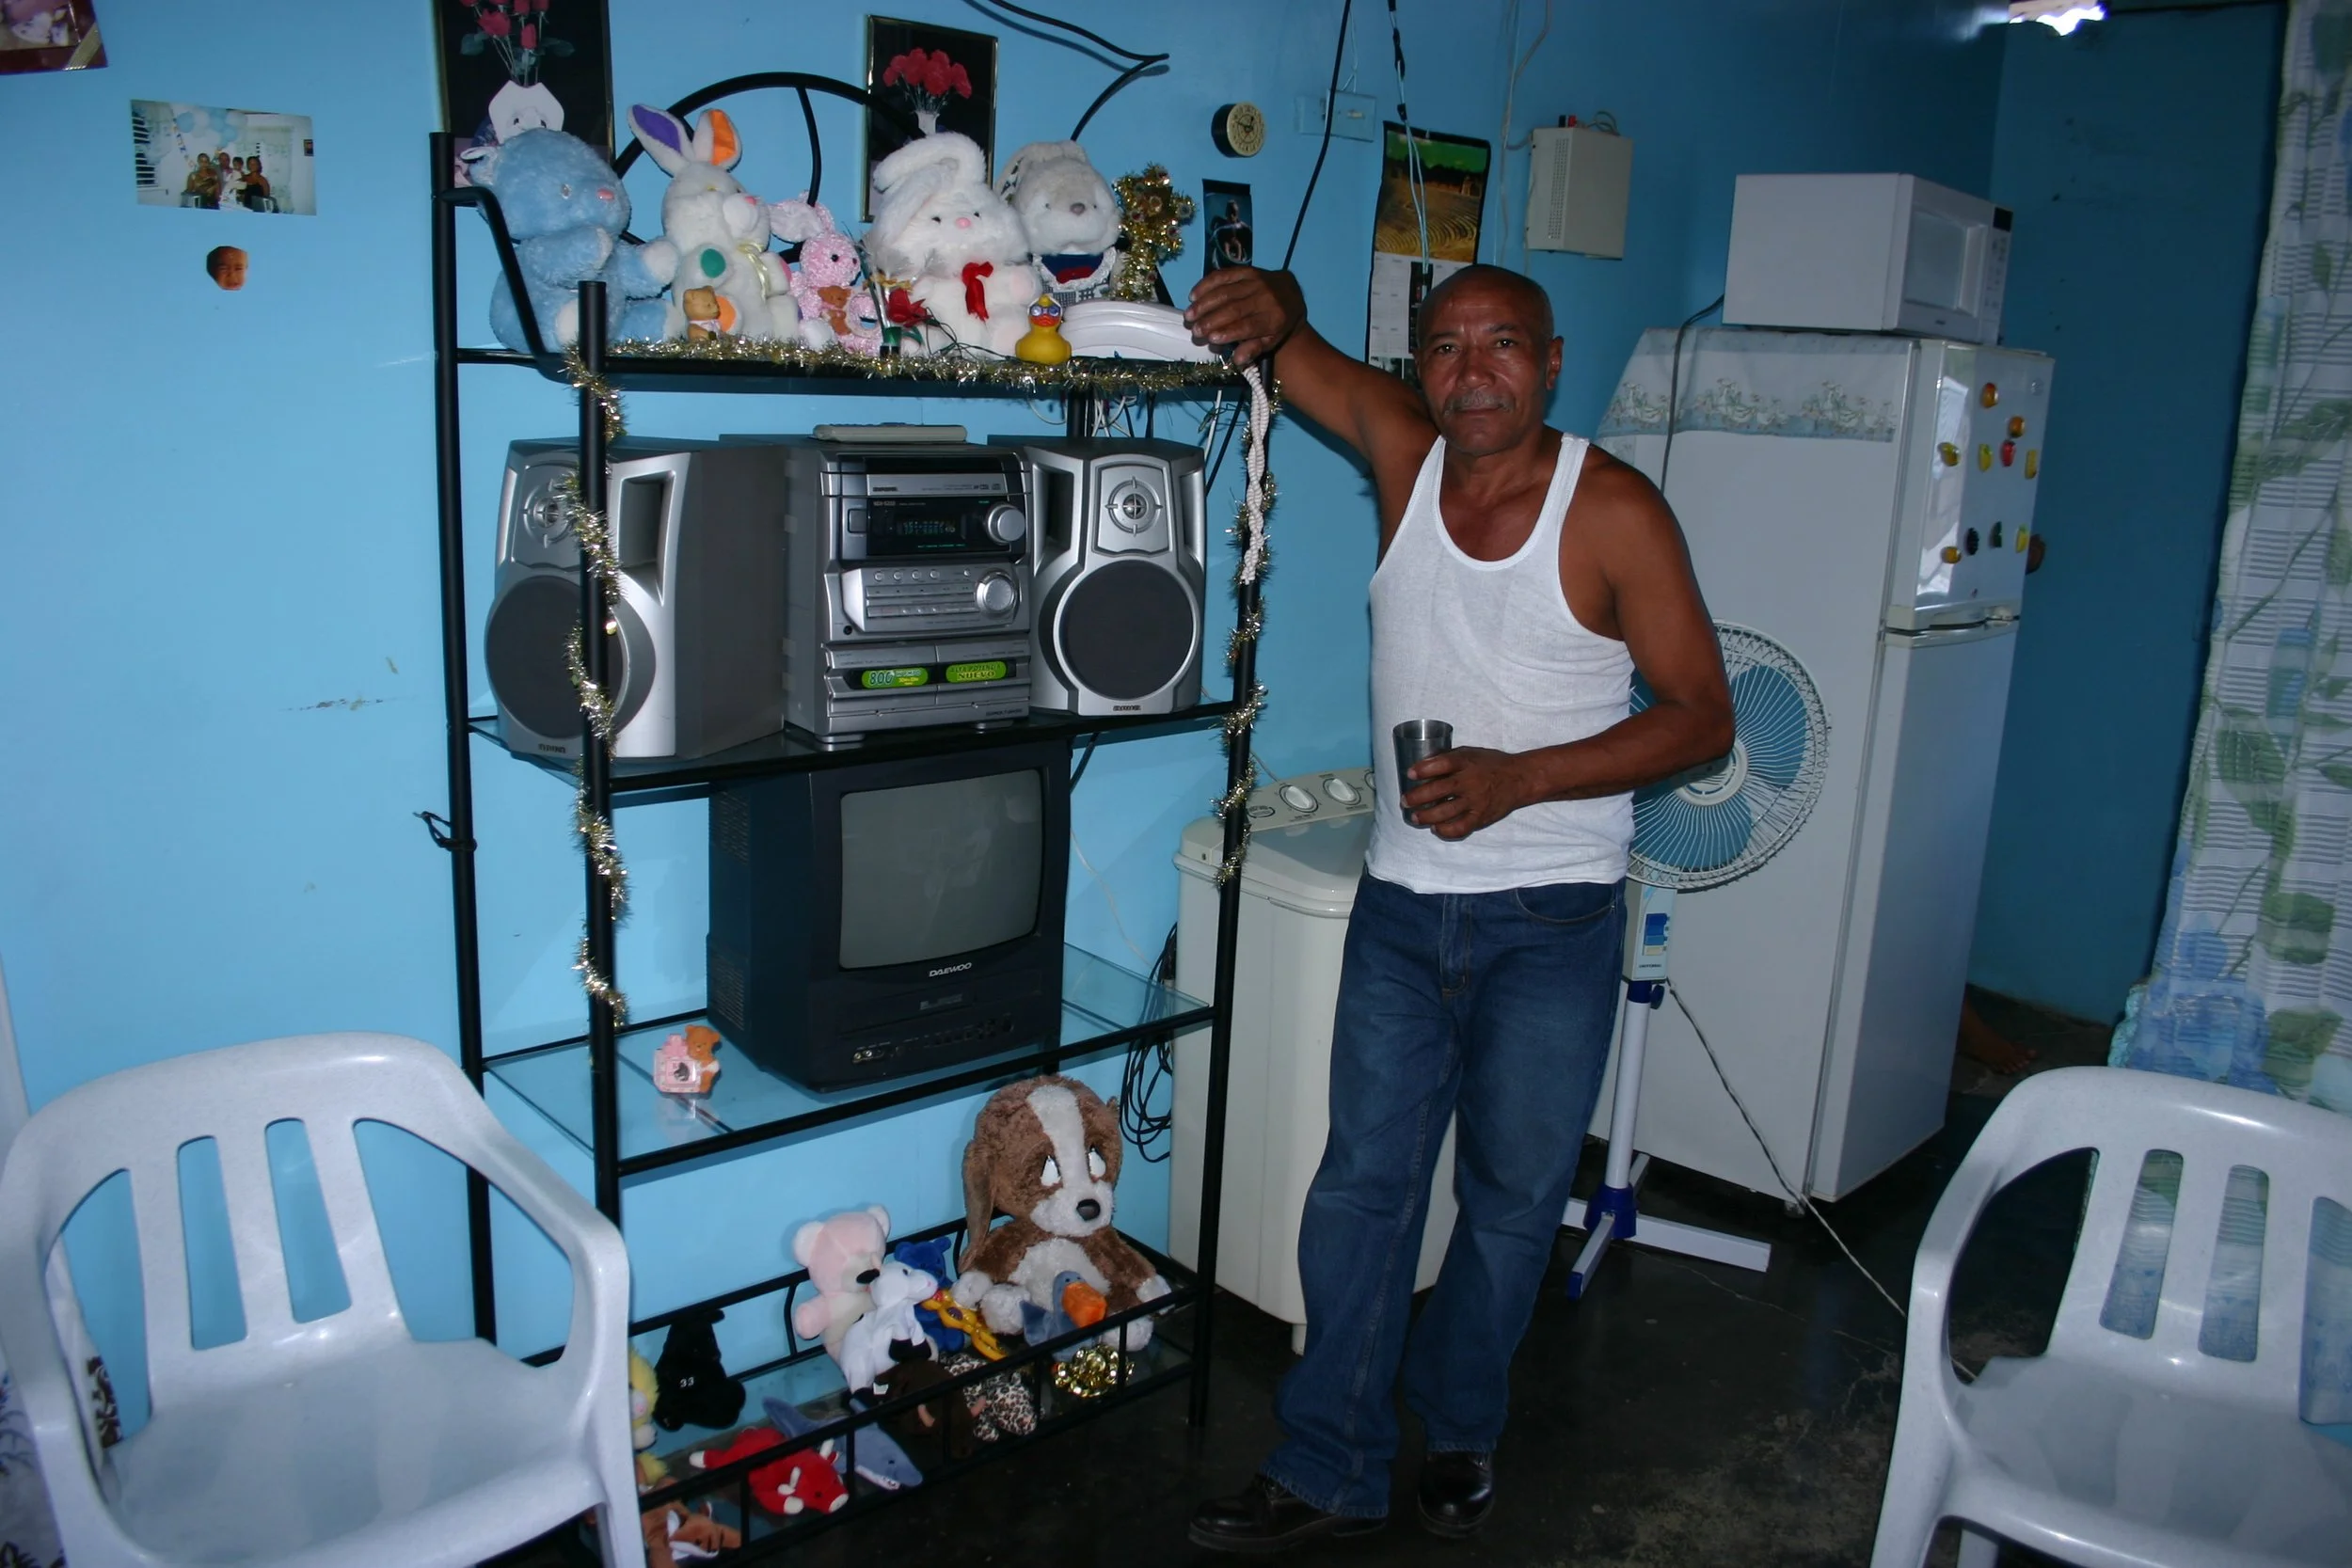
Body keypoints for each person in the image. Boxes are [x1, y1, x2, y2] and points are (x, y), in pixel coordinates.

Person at [1179, 263, 1734, 1550]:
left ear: (1549, 361)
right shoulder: (1404, 455)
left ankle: (1464, 1415)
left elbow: (1701, 717)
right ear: (1421, 364)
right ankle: (1329, 1457)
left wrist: (1518, 778)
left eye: (1502, 345)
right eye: (1444, 345)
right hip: (1400, 910)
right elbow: (1293, 343)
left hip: (1554, 919)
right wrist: (1270, 300)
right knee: (1360, 1191)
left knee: (1510, 1198)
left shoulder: (1612, 510)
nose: (1472, 368)